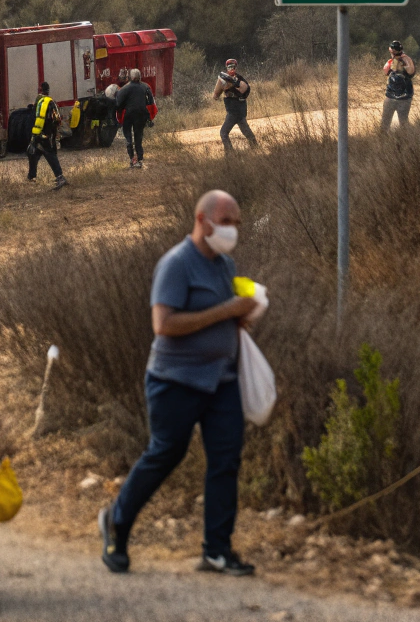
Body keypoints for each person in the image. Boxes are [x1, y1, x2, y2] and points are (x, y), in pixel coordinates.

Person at [99, 190, 257, 578]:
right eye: (226, 221)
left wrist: (240, 317)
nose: (233, 229)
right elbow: (164, 324)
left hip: (221, 379)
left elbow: (221, 315)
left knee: (226, 460)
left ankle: (217, 550)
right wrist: (226, 310)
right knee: (166, 454)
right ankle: (117, 523)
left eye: (236, 223)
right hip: (175, 380)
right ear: (202, 220)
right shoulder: (176, 264)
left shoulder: (225, 265)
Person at [27, 81, 68, 190]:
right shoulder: (51, 101)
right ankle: (31, 177)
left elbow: (39, 120)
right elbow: (57, 119)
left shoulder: (42, 102)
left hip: (43, 135)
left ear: (40, 90)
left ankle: (60, 178)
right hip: (49, 134)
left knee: (49, 155)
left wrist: (35, 135)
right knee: (33, 154)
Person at [213, 59, 257, 152]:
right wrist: (223, 85)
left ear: (236, 68)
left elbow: (244, 89)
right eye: (230, 67)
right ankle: (256, 148)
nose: (232, 69)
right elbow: (215, 95)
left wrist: (231, 84)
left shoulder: (239, 80)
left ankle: (230, 154)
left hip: (234, 111)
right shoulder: (226, 79)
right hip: (238, 110)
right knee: (246, 131)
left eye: (233, 67)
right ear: (226, 68)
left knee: (223, 132)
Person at [115, 67, 156, 167]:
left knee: (128, 137)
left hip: (128, 115)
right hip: (141, 115)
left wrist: (118, 117)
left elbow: (118, 104)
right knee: (138, 137)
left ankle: (132, 159)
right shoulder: (146, 87)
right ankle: (139, 159)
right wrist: (149, 117)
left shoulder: (124, 89)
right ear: (140, 77)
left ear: (130, 77)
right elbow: (151, 102)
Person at [380, 40, 415, 130]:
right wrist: (392, 62)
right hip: (390, 95)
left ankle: (404, 137)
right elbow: (385, 71)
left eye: (394, 51)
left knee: (403, 122)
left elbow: (411, 71)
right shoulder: (391, 61)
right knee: (385, 122)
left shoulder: (406, 59)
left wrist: (402, 64)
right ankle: (383, 136)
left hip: (404, 96)